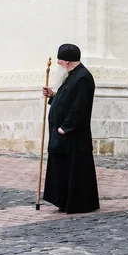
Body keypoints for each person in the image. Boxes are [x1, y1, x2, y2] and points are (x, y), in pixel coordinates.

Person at [41, 43, 100, 214]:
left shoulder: (82, 78)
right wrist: (52, 95)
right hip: (64, 135)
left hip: (73, 136)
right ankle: (64, 201)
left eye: (60, 61)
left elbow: (79, 107)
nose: (58, 64)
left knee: (75, 170)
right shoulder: (72, 75)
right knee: (62, 170)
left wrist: (65, 128)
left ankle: (76, 203)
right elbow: (66, 99)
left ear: (67, 61)